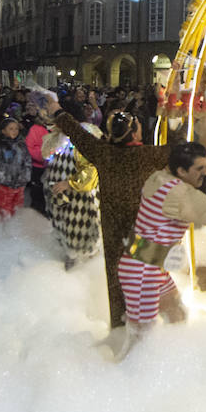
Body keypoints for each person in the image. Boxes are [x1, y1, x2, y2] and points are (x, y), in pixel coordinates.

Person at [116, 141, 206, 356]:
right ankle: (132, 375)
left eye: (205, 167)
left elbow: (196, 212)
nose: (205, 173)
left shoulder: (159, 178)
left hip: (147, 261)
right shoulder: (178, 194)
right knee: (142, 337)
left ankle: (173, 360)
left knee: (176, 312)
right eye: (199, 169)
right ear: (181, 170)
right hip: (143, 271)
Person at [50, 100, 171, 328]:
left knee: (118, 284)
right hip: (144, 234)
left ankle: (120, 328)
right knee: (151, 278)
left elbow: (77, 134)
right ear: (134, 132)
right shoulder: (149, 155)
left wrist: (57, 111)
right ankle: (152, 332)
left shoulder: (103, 154)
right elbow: (186, 150)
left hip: (115, 238)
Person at [42, 113, 101, 269]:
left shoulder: (82, 140)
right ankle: (69, 263)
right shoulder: (57, 139)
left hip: (80, 201)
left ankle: (81, 270)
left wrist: (70, 183)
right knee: (64, 233)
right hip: (61, 199)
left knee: (80, 236)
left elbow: (91, 169)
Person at [0, 117, 29, 218]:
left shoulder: (21, 145)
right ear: (3, 131)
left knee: (17, 212)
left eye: (16, 128)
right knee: (2, 212)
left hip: (19, 185)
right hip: (3, 186)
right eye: (11, 129)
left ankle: (13, 231)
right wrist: (1, 179)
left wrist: (25, 178)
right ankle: (0, 232)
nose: (14, 131)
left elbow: (27, 162)